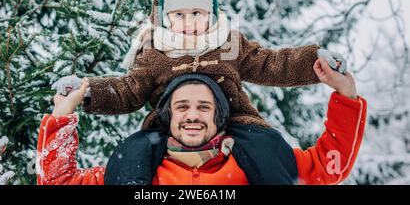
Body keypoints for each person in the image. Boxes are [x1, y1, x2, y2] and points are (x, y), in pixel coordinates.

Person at [51, 0, 346, 182]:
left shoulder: (227, 43)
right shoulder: (154, 50)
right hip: (169, 128)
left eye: (197, 13)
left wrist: (313, 62)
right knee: (132, 152)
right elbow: (128, 90)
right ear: (165, 17)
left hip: (235, 123)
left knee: (267, 147)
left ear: (212, 13)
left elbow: (270, 63)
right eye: (179, 15)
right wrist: (89, 91)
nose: (188, 23)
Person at [37, 57, 366, 185]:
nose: (192, 115)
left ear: (219, 117)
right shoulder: (135, 169)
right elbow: (58, 182)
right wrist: (61, 117)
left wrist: (346, 99)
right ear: (168, 117)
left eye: (203, 107)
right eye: (181, 107)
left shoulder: (257, 164)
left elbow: (327, 166)